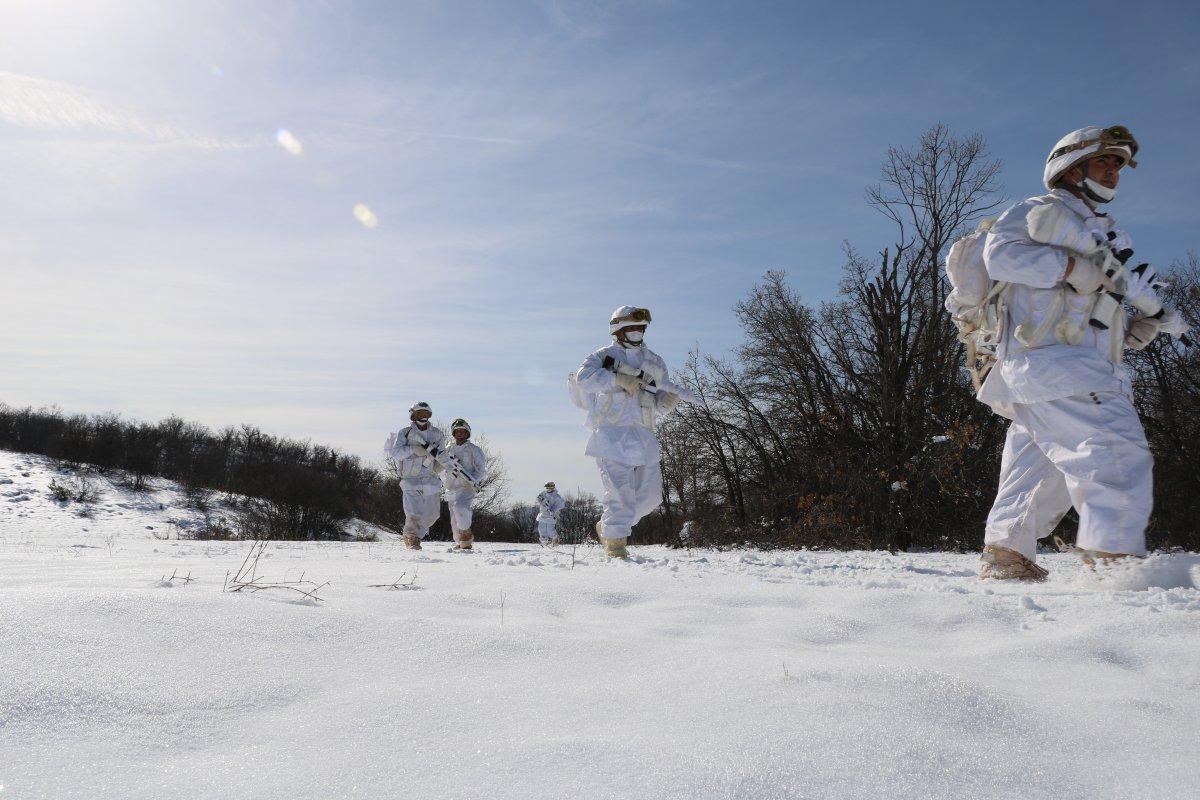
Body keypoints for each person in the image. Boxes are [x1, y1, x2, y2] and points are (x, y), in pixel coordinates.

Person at [975, 125, 1187, 580]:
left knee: (1038, 472)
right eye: (1104, 161)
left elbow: (1090, 311)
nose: (1113, 171)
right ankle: (1116, 562)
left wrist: (1134, 330)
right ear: (1070, 168)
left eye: (1118, 165)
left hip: (1053, 369)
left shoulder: (1108, 235)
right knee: (1116, 454)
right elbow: (1001, 257)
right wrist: (1070, 267)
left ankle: (1007, 557)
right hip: (1059, 366)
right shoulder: (1039, 210)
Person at [573, 306, 694, 558]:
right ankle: (616, 549)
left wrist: (664, 403)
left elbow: (656, 395)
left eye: (641, 328)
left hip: (644, 436)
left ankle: (608, 526)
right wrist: (618, 380)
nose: (637, 332)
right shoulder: (601, 356)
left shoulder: (655, 361)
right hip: (611, 435)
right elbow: (584, 379)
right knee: (620, 494)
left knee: (650, 499)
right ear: (617, 329)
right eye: (632, 327)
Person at [384, 402, 446, 550]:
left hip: (430, 479)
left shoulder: (437, 434)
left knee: (432, 514)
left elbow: (442, 455)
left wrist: (441, 465)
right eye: (420, 413)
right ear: (414, 415)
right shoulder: (405, 433)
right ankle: (412, 538)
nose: (423, 416)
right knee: (413, 513)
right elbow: (396, 453)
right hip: (411, 478)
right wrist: (413, 449)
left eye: (426, 414)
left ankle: (416, 534)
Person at [441, 418, 487, 551]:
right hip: (451, 487)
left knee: (460, 508)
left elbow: (481, 469)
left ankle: (466, 535)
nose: (460, 434)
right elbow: (440, 467)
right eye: (457, 431)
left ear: (467, 433)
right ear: (453, 433)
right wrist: (444, 480)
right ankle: (461, 542)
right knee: (454, 518)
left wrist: (474, 481)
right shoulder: (447, 450)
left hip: (466, 487)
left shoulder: (474, 450)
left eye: (463, 431)